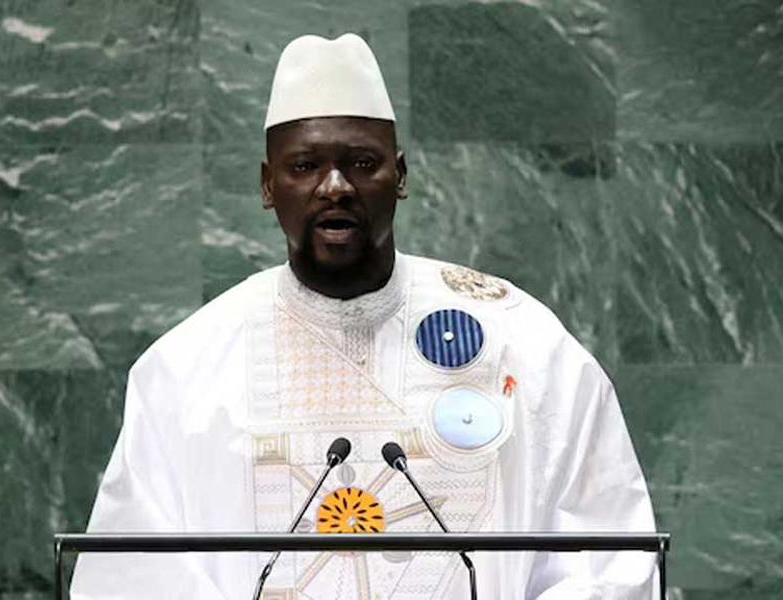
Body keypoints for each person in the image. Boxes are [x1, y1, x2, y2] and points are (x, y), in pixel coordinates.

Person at [71, 33, 658, 599]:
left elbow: (607, 555)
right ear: (267, 184)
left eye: (360, 162)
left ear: (399, 176)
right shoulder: (186, 369)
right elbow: (132, 577)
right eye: (304, 166)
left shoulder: (518, 340)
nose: (335, 187)